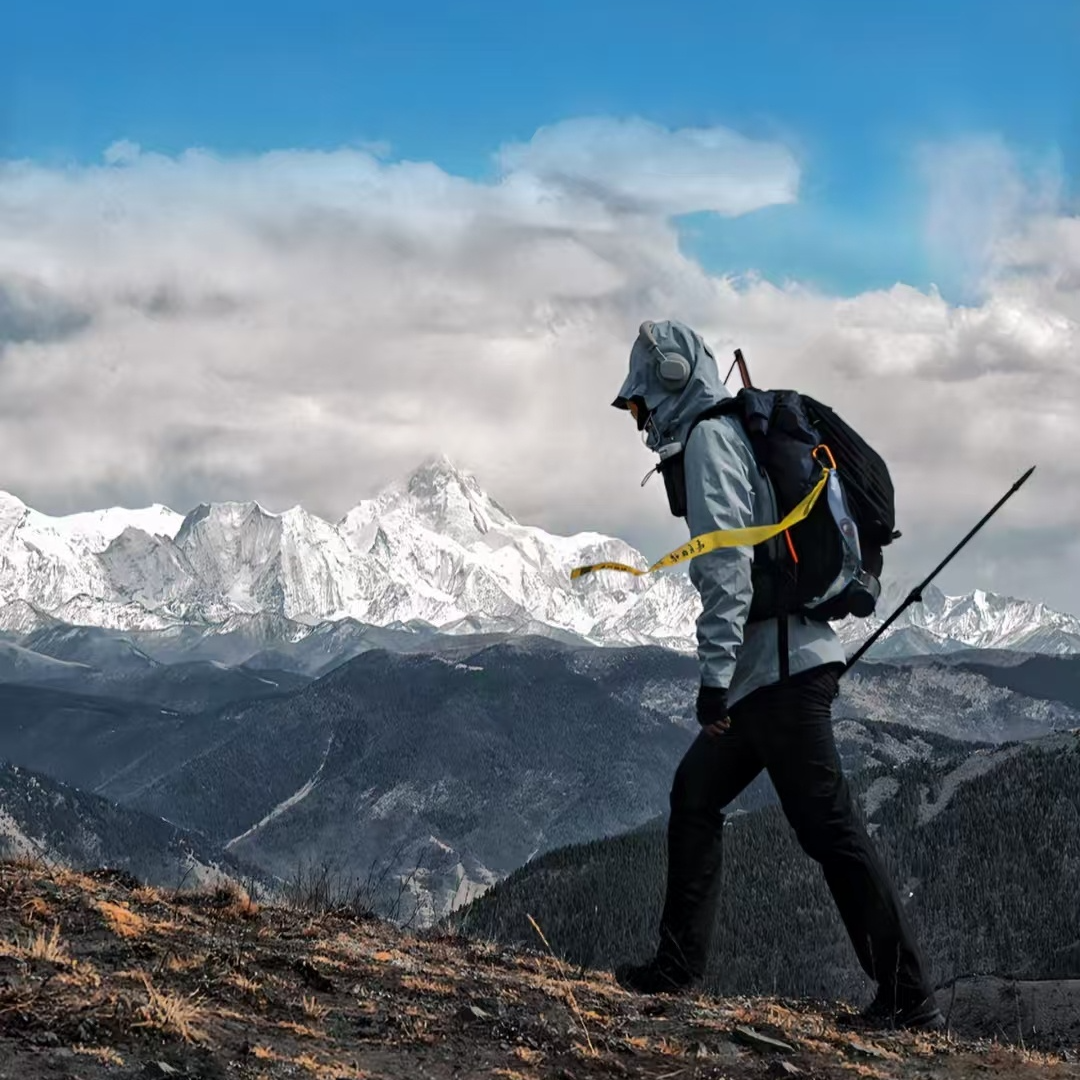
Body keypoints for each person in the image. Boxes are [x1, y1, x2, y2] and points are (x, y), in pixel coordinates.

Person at [609, 319, 944, 1031]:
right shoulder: (729, 433)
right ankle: (675, 967)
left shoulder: (709, 440)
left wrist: (712, 680)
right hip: (774, 671)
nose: (640, 422)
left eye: (639, 405)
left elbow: (725, 565)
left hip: (779, 677)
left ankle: (907, 995)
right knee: (695, 793)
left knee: (829, 829)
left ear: (668, 383)